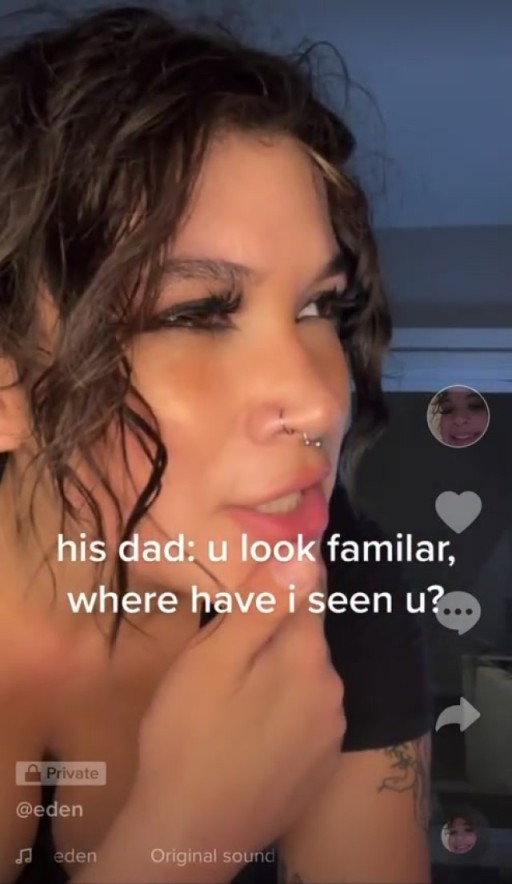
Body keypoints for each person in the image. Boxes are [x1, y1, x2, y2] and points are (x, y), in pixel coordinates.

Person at [0, 6, 431, 883]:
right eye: (196, 314)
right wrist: (184, 839)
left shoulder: (345, 590)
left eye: (320, 306)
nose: (320, 400)